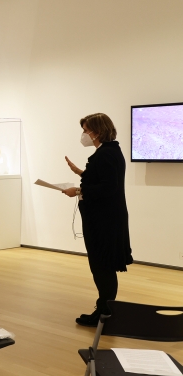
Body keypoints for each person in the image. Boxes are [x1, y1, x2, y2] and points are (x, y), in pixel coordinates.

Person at [62, 113, 132, 327]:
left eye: (85, 130)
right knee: (103, 266)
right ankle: (104, 310)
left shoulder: (106, 154)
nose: (84, 135)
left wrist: (79, 190)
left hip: (105, 221)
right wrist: (81, 172)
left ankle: (104, 313)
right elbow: (104, 179)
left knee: (102, 266)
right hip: (106, 218)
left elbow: (108, 187)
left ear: (97, 131)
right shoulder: (109, 152)